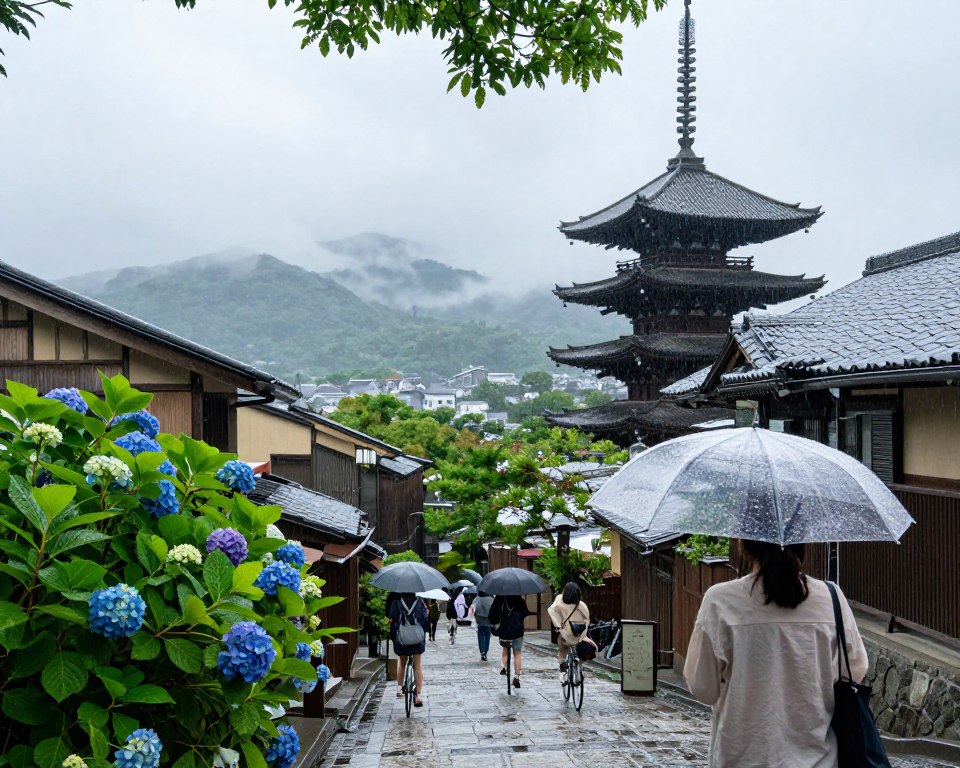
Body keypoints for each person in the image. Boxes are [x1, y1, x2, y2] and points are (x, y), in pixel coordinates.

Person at [683, 539, 869, 768]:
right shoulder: (831, 598)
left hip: (743, 757)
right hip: (818, 759)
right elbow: (855, 670)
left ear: (745, 546)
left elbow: (704, 688)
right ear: (802, 544)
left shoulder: (720, 601)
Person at [387, 592, 429, 707]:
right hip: (416, 640)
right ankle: (418, 695)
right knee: (418, 665)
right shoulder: (420, 602)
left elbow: (392, 619)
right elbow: (425, 620)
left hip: (402, 639)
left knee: (402, 663)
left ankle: (399, 688)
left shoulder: (396, 603)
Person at [488, 594, 532, 688]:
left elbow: (492, 615)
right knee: (517, 653)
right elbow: (525, 612)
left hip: (504, 630)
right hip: (517, 630)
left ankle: (504, 667)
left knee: (505, 647)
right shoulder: (518, 598)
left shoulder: (499, 598)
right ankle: (517, 676)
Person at [547, 581, 590, 672]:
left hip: (566, 635)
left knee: (562, 645)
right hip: (579, 635)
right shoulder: (581, 605)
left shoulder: (560, 605)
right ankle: (578, 663)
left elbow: (552, 612)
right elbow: (587, 618)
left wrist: (559, 627)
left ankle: (562, 662)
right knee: (580, 646)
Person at [469, 590, 495, 661]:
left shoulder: (477, 599)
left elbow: (472, 608)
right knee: (487, 638)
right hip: (488, 622)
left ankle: (482, 652)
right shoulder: (492, 599)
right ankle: (485, 653)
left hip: (480, 621)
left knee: (480, 637)